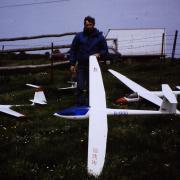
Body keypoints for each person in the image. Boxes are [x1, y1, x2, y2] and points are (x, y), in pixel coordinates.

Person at [69, 16, 108, 106]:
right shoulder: (79, 36)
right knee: (80, 86)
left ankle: (90, 104)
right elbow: (73, 50)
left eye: (90, 24)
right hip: (81, 65)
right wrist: (72, 64)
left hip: (94, 66)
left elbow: (105, 50)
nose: (88, 26)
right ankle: (79, 104)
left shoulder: (100, 37)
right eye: (87, 25)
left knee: (92, 86)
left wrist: (99, 54)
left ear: (93, 25)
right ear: (84, 25)